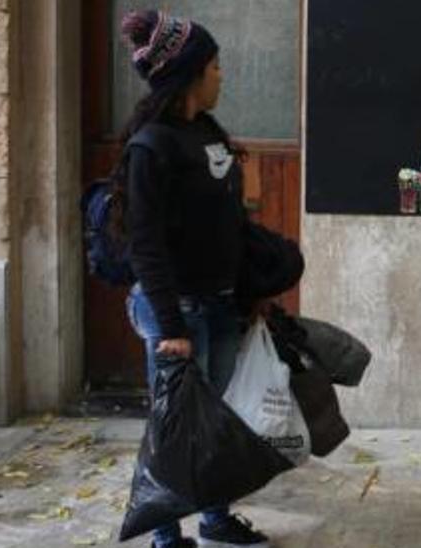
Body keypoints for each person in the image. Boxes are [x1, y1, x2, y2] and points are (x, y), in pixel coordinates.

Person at [118, 10, 269, 548]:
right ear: (189, 75)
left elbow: (230, 222)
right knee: (175, 429)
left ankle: (215, 518)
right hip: (177, 312)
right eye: (215, 66)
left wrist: (252, 292)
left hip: (221, 304)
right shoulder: (151, 147)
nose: (222, 75)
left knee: (216, 423)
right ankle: (165, 536)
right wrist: (170, 325)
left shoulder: (206, 133)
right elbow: (146, 246)